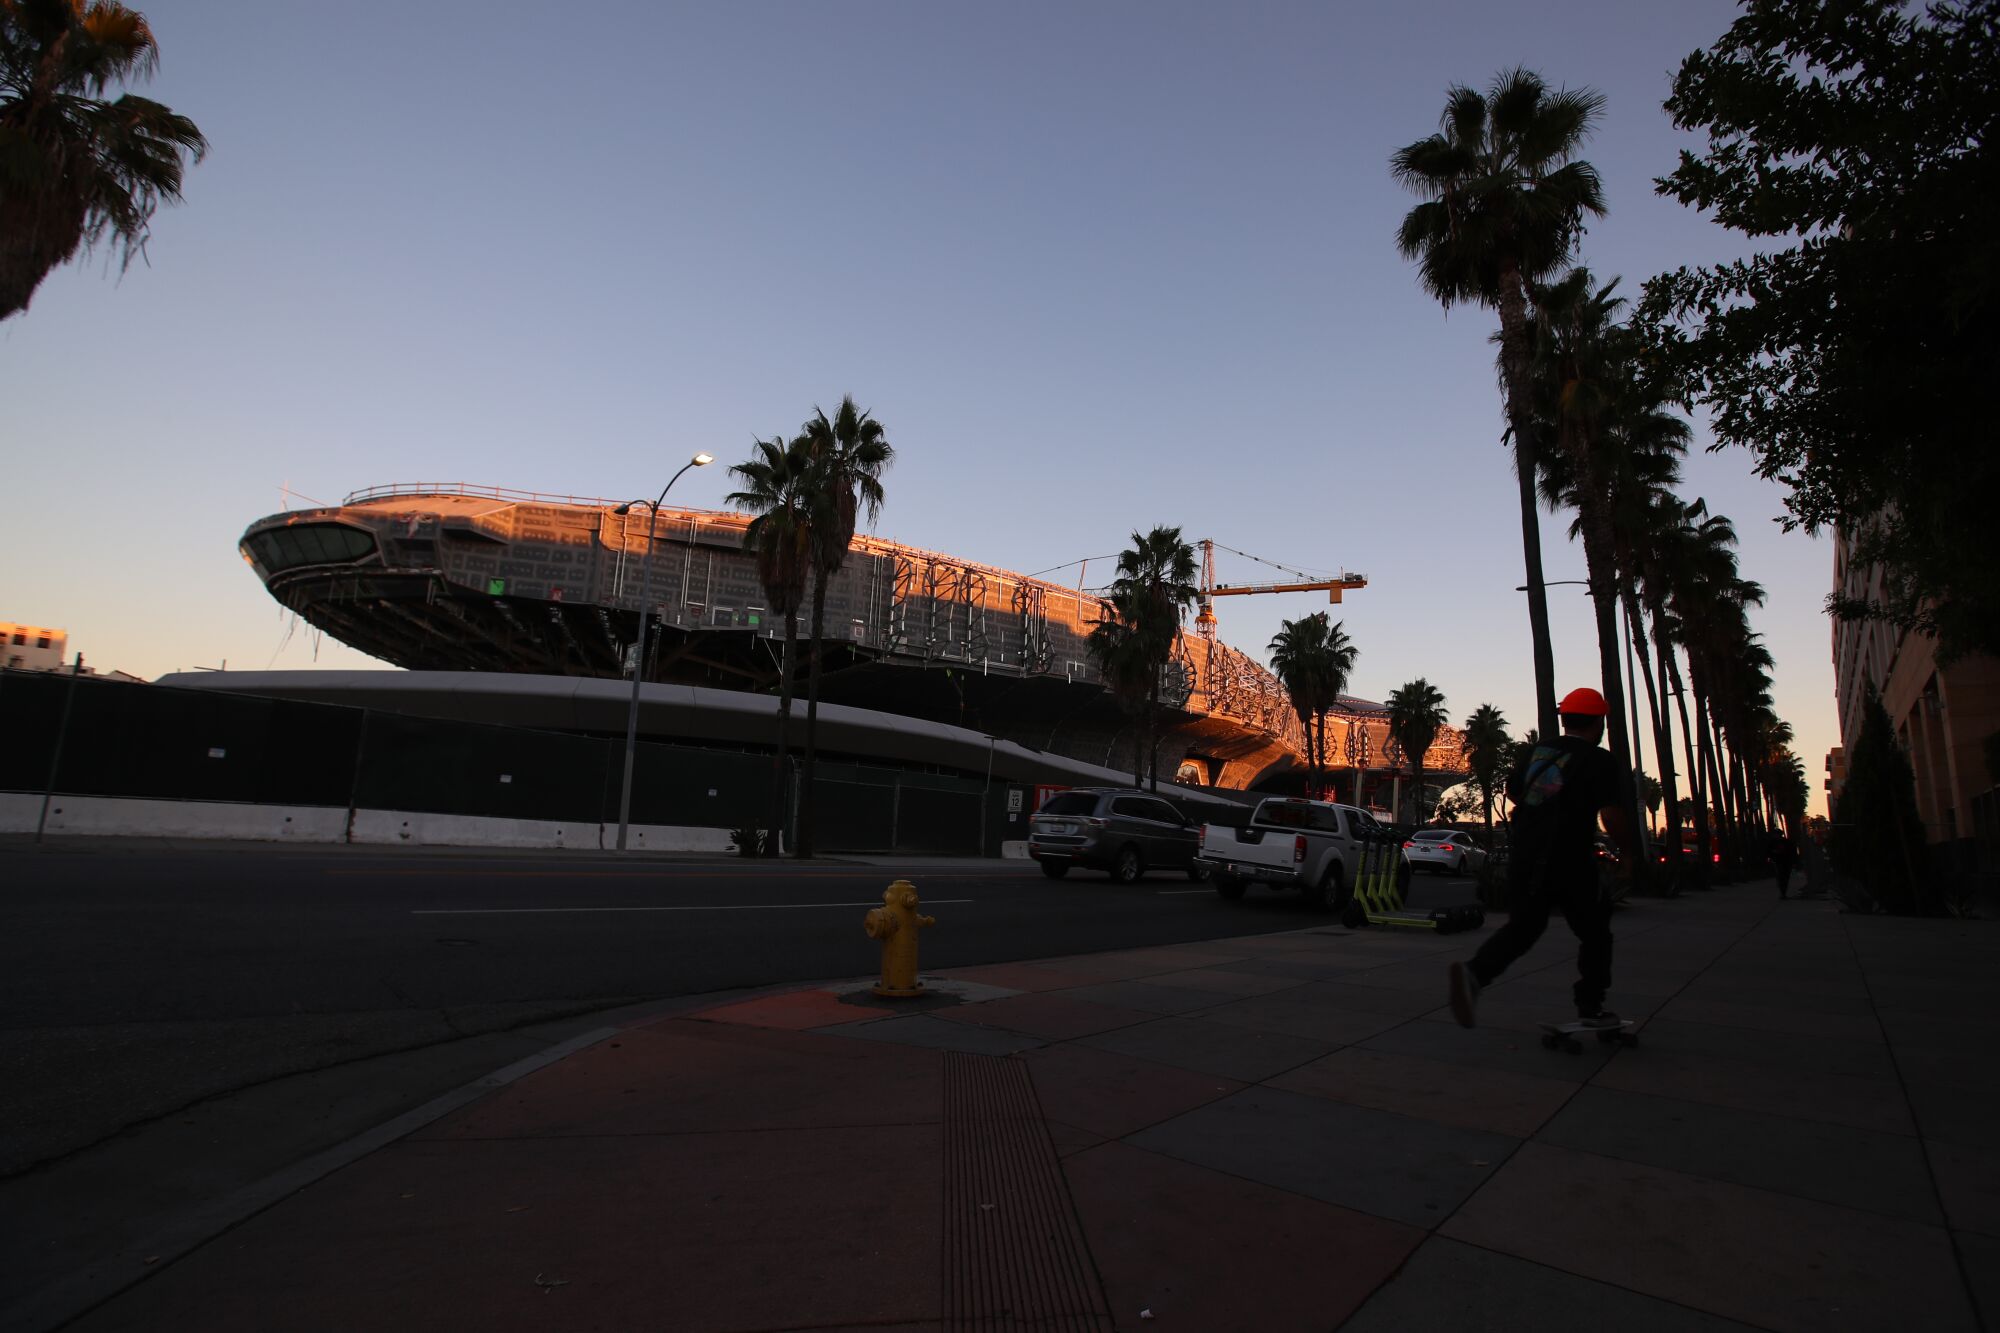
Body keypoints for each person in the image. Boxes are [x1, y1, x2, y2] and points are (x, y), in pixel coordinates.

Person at [1448, 687, 1637, 1029]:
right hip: (1570, 859)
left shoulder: (1537, 752)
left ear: (1565, 718)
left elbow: (1514, 792)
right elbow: (1610, 815)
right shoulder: (1600, 760)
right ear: (1600, 722)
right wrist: (1626, 853)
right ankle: (1591, 1006)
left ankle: (1475, 974)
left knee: (1524, 927)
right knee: (1595, 933)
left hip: (1526, 855)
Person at [1767, 828, 1797, 899]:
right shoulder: (1772, 843)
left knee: (1785, 878)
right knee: (1781, 878)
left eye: (1777, 834)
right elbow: (1768, 852)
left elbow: (1792, 852)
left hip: (1786, 862)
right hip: (1778, 862)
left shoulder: (1787, 842)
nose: (1776, 836)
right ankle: (1782, 893)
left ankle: (1783, 893)